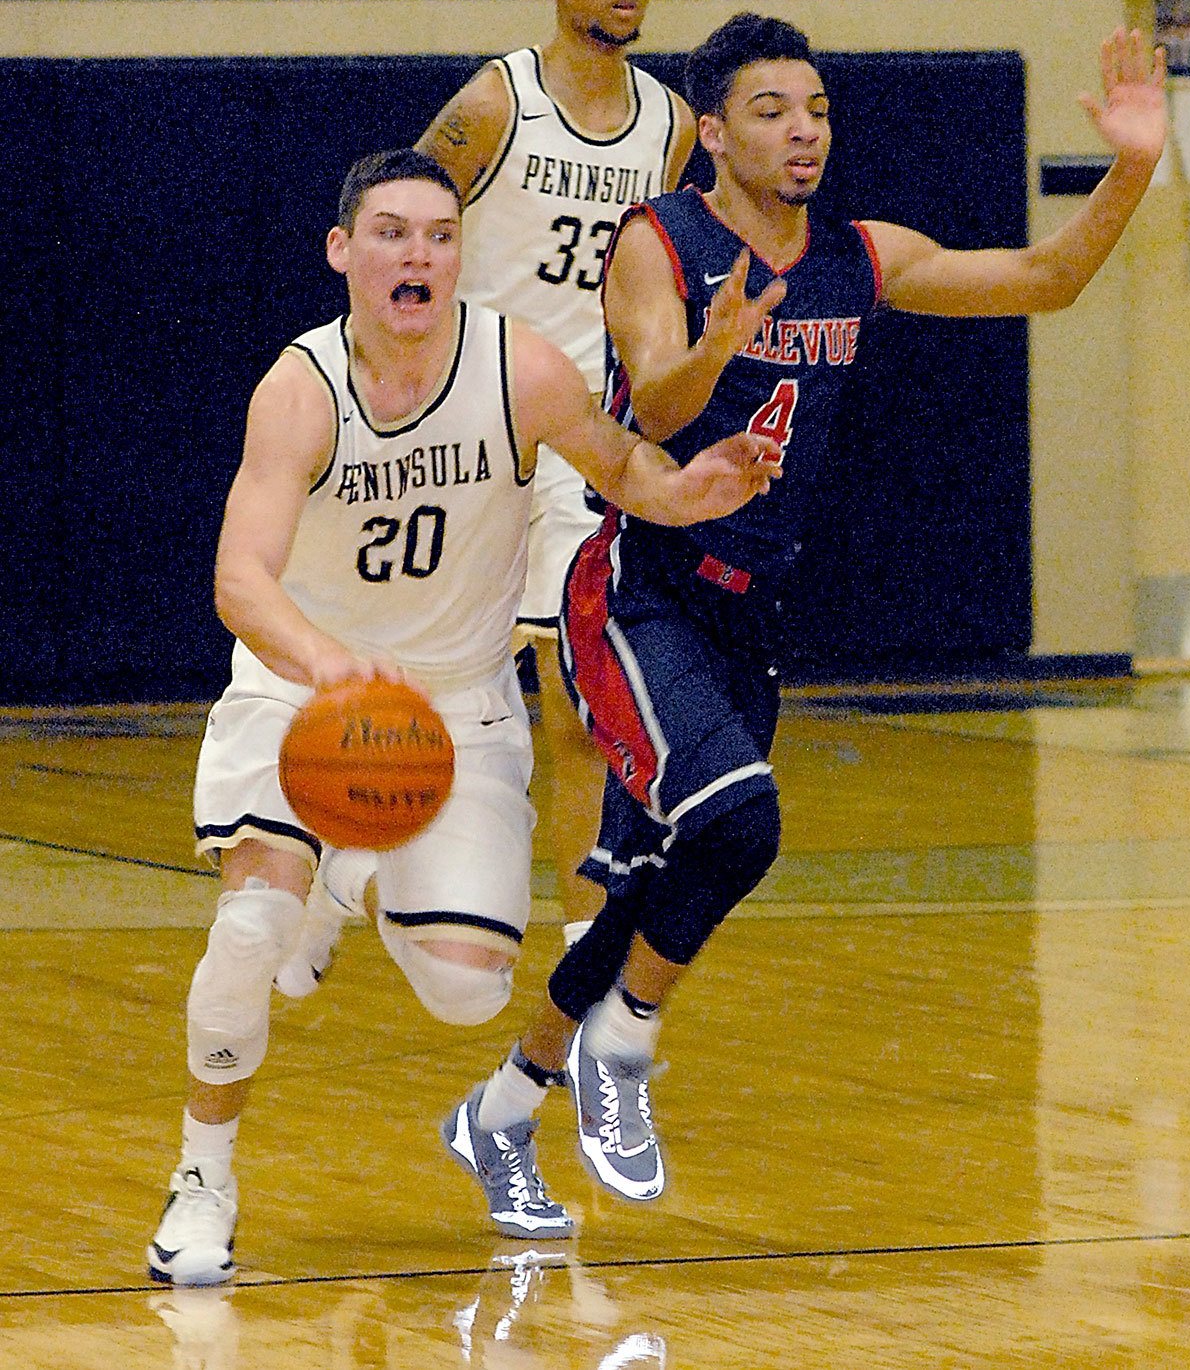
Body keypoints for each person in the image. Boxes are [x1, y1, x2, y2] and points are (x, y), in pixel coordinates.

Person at [445, 13, 1168, 1232]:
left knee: (661, 874)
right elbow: (652, 406)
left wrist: (1132, 166)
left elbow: (1044, 280)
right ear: (713, 133)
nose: (803, 132)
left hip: (748, 611)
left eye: (817, 111)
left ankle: (504, 1108)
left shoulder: (856, 256)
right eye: (772, 111)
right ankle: (621, 1047)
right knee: (740, 820)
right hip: (634, 586)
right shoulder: (657, 240)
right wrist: (713, 346)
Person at [146, 147, 780, 1287]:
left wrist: (691, 492)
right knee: (248, 930)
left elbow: (623, 468)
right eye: (392, 232)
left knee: (466, 987)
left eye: (440, 236)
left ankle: (350, 874)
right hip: (306, 688)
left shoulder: (517, 367)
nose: (419, 255)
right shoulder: (300, 389)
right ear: (343, 251)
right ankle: (203, 1178)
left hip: (457, 708)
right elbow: (240, 579)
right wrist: (331, 668)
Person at [270, 0, 696, 996]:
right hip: (466, 425)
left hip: (577, 438)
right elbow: (397, 230)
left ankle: (582, 955)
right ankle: (338, 875)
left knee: (579, 706)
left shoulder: (671, 125)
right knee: (408, 689)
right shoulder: (498, 103)